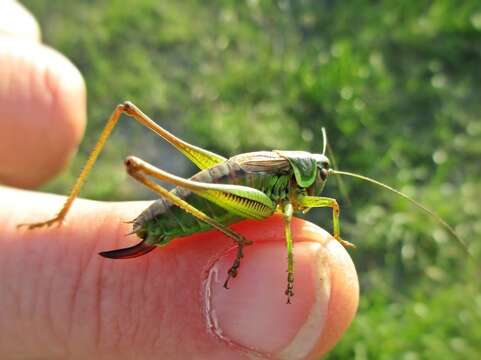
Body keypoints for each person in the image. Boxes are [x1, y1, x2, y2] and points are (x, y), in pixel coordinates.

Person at [0, 1, 358, 358]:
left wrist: (336, 236)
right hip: (213, 193)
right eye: (320, 174)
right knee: (131, 114)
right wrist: (280, 269)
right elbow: (287, 219)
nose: (321, 184)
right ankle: (64, 218)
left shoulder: (290, 175)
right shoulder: (283, 179)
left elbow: (330, 205)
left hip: (226, 185)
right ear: (304, 170)